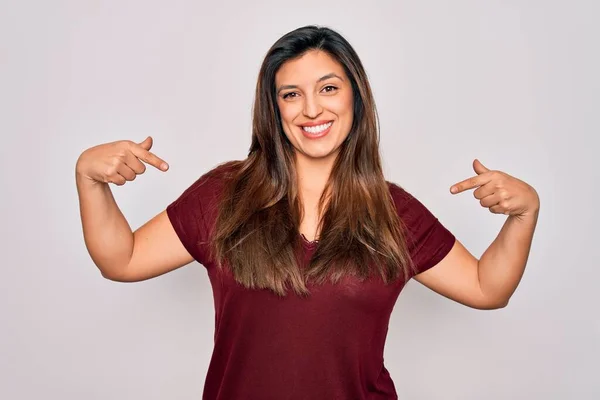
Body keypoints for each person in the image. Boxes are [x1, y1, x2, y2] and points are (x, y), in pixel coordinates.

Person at [75, 25, 540, 400]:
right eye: (291, 94)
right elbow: (123, 259)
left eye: (328, 87)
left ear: (355, 98)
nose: (311, 108)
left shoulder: (393, 213)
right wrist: (89, 179)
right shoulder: (224, 196)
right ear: (273, 109)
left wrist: (525, 213)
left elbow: (487, 287)